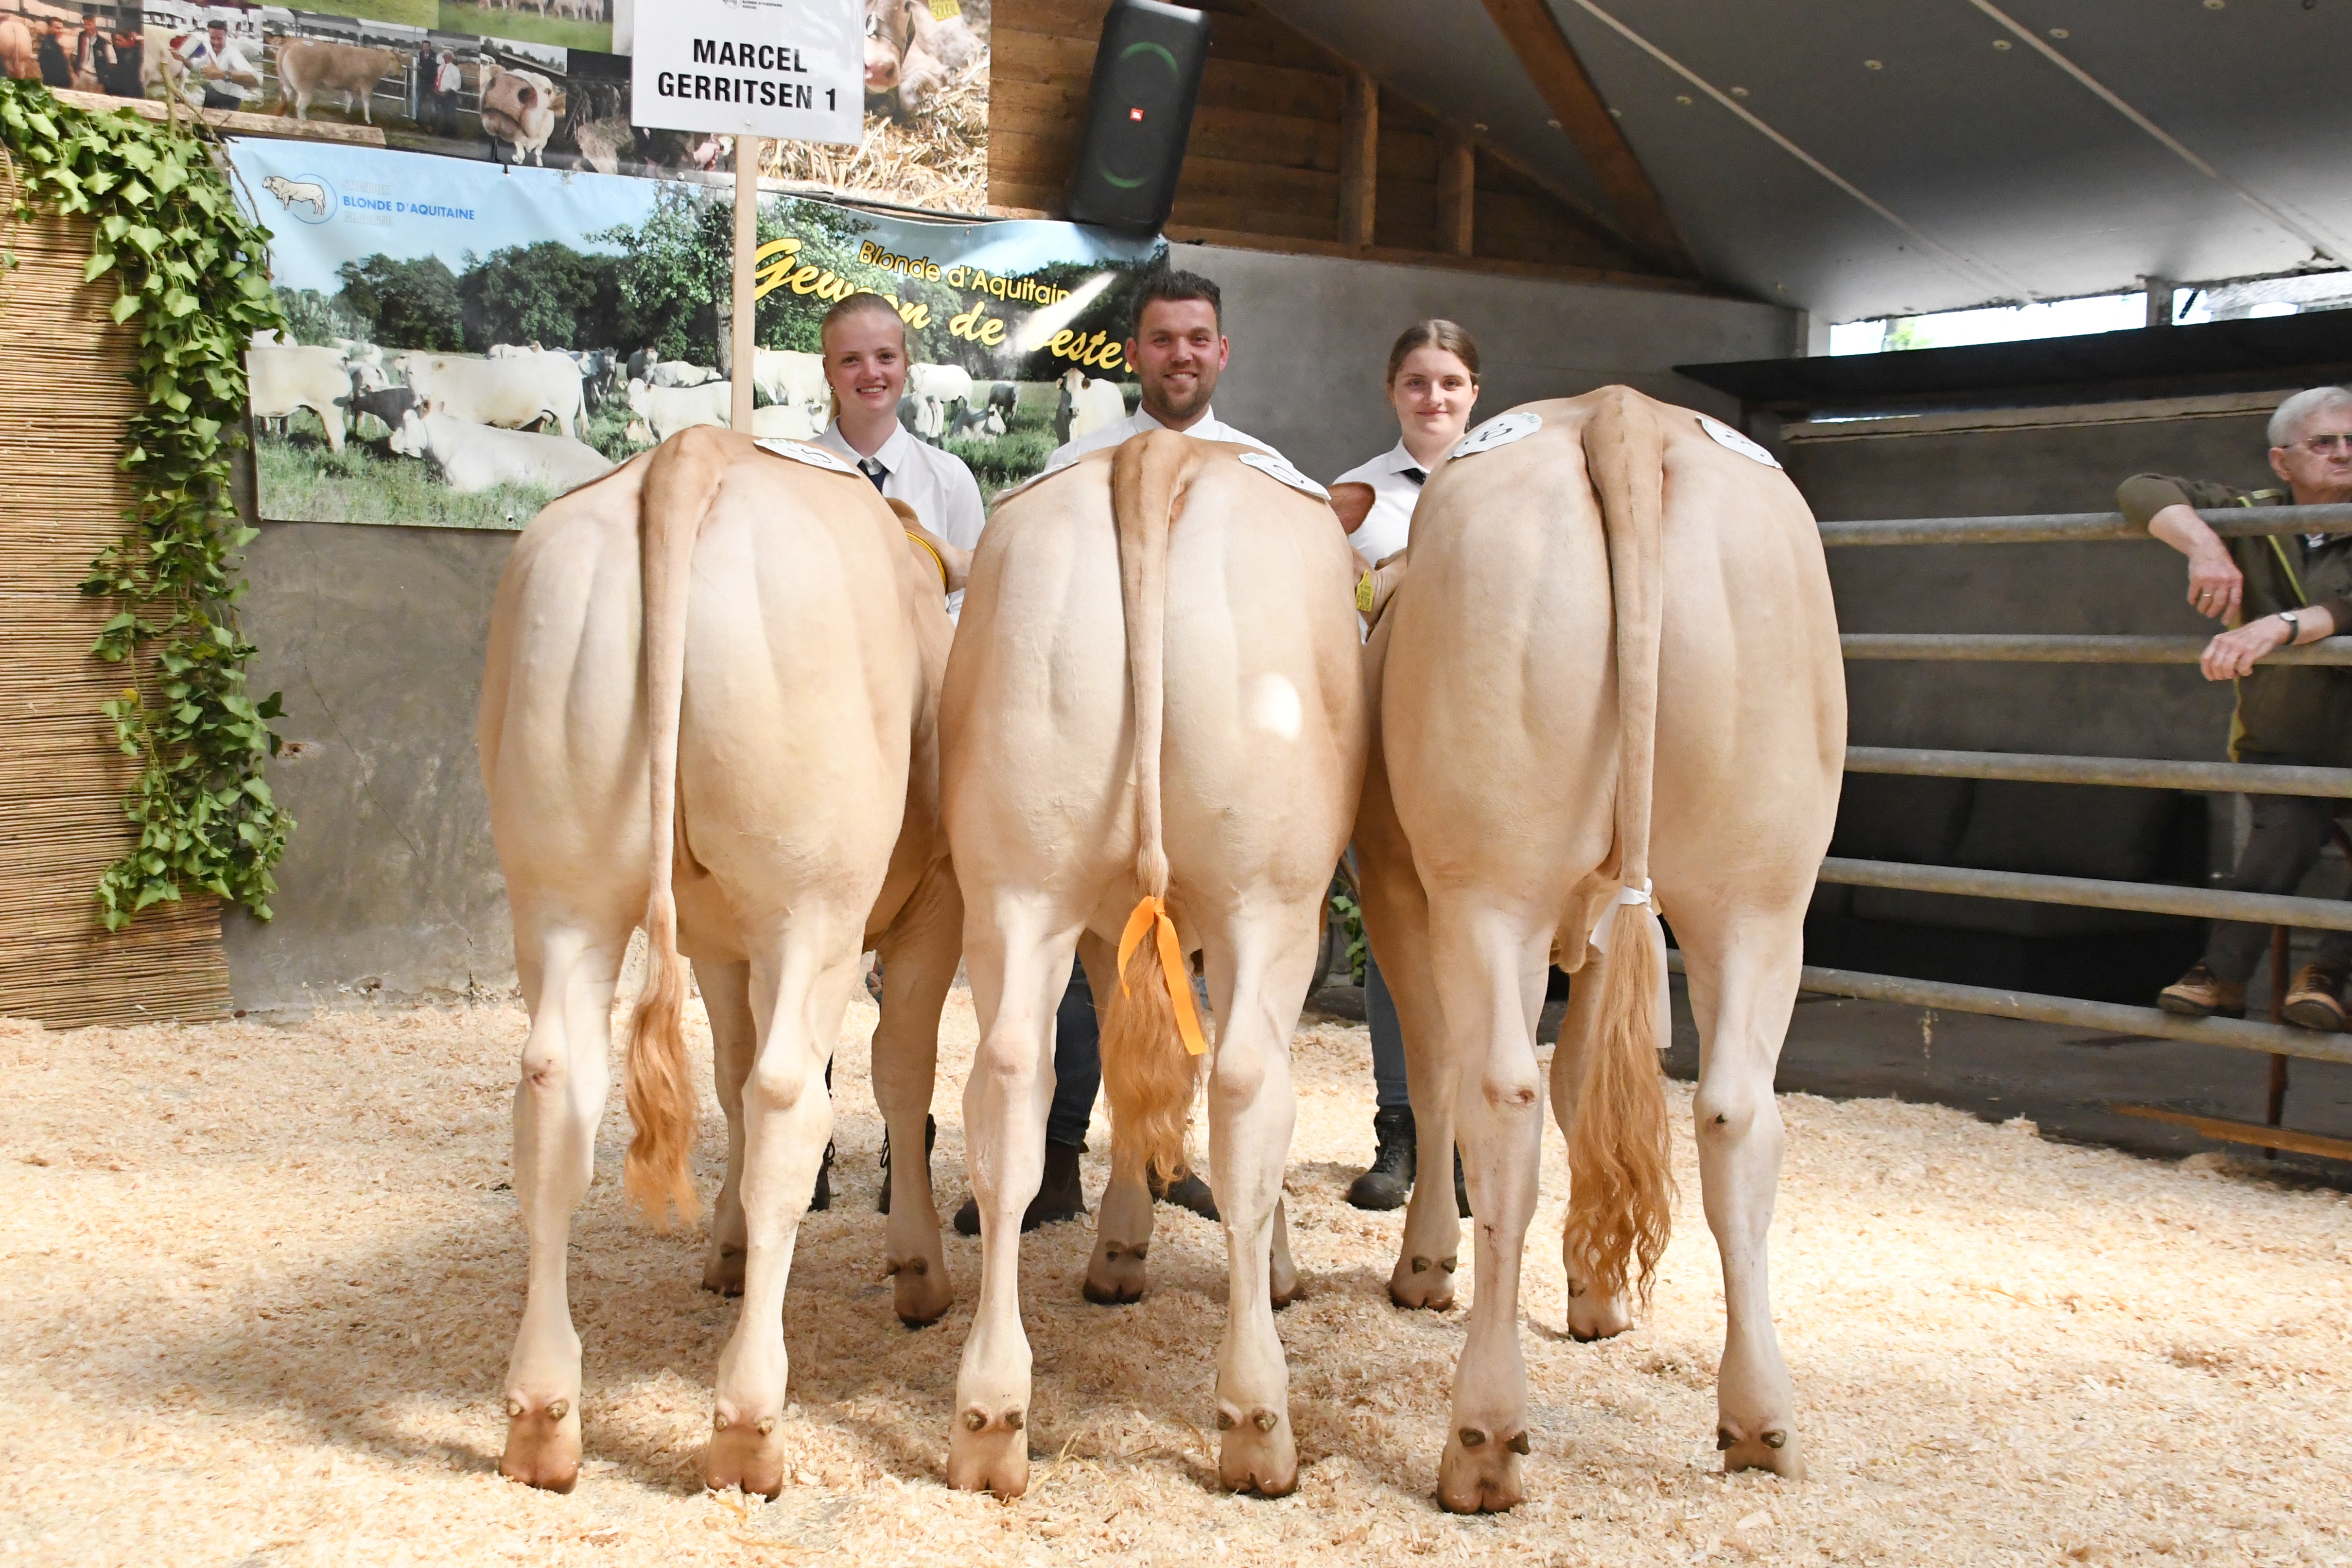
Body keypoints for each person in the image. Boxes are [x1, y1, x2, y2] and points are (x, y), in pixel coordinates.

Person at [949, 269, 1268, 1239]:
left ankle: (1161, 1157)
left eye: (1197, 337)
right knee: (1077, 965)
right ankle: (1053, 1160)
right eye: (1162, 338)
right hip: (1086, 743)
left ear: (1221, 353)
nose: (1180, 353)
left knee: (1204, 969)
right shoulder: (1066, 476)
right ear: (1133, 355)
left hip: (1214, 751)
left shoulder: (1264, 478)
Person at [2127, 384, 2352, 1030]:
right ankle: (2220, 975)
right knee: (2277, 838)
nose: (2342, 454)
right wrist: (2204, 546)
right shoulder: (2250, 515)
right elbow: (2140, 487)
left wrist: (2279, 625)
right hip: (2286, 736)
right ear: (2281, 462)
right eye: (2323, 442)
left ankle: (2326, 975)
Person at [1325, 320, 1482, 1214]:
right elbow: (1336, 618)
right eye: (1418, 382)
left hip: (1485, 750)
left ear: (1474, 394)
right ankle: (1400, 1132)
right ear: (1393, 392)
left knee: (1482, 946)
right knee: (1393, 948)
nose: (1434, 398)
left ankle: (1462, 1137)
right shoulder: (1355, 494)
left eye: (1450, 383)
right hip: (1388, 743)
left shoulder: (1506, 489)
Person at [174, 19, 259, 112]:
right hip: (213, 92)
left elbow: (254, 79)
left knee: (218, 125)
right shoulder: (209, 48)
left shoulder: (232, 54)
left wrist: (224, 75)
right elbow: (194, 66)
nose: (216, 42)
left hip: (230, 99)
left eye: (219, 39)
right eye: (213, 38)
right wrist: (184, 59)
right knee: (202, 123)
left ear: (226, 35)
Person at [430, 48, 463, 139]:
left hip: (450, 94)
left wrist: (448, 91)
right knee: (444, 113)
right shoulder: (441, 68)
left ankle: (452, 133)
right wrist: (437, 89)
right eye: (445, 56)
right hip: (440, 93)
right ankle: (445, 132)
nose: (446, 58)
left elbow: (457, 84)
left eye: (447, 56)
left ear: (450, 58)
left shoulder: (455, 69)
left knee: (450, 113)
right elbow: (438, 79)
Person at [36, 17, 72, 87]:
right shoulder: (49, 47)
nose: (61, 31)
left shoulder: (55, 44)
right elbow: (53, 71)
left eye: (62, 28)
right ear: (49, 28)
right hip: (55, 86)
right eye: (57, 28)